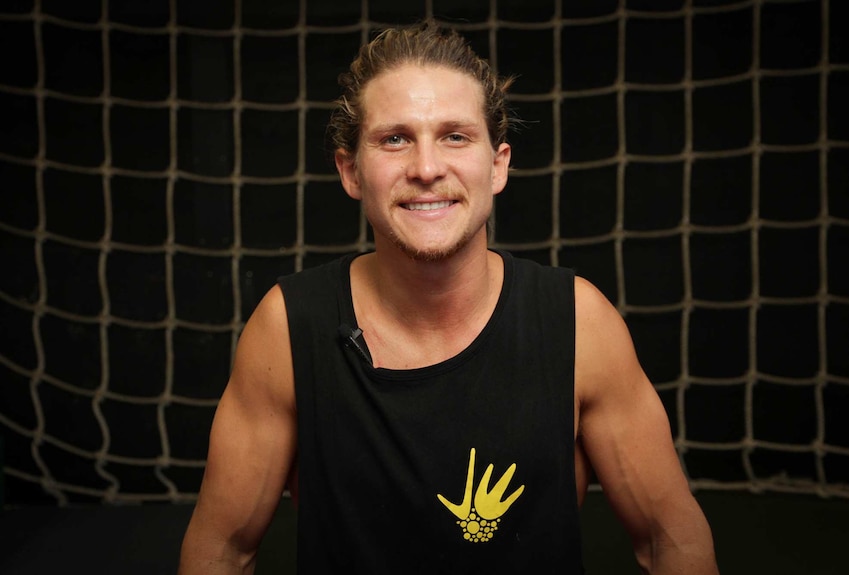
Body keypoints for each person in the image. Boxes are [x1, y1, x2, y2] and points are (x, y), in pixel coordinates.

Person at [178, 20, 719, 574]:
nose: (427, 168)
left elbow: (669, 540)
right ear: (351, 170)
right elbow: (224, 549)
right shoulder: (290, 326)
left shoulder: (578, 322)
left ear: (498, 163)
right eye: (395, 139)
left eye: (455, 136)